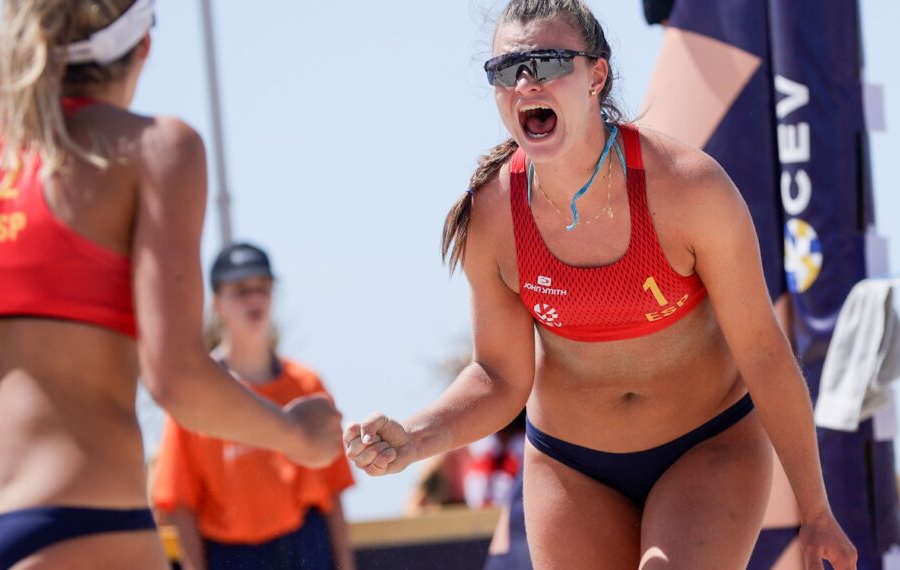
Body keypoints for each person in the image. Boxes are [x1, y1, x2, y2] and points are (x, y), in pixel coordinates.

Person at [343, 1, 857, 569]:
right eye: (507, 69)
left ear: (596, 76)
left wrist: (815, 511)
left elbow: (763, 352)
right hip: (570, 465)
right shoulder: (491, 216)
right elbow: (499, 377)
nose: (526, 81)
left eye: (548, 61)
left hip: (708, 446)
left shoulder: (688, 189)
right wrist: (413, 439)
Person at [0, 1, 343, 567]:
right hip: (72, 515)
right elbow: (175, 379)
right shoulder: (154, 148)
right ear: (143, 49)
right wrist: (295, 433)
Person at [152, 243, 356, 570]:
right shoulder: (197, 394)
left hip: (302, 542)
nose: (254, 298)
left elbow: (332, 492)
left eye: (262, 287)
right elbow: (181, 503)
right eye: (240, 290)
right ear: (217, 303)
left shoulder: (306, 384)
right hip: (230, 553)